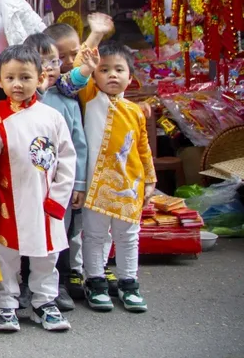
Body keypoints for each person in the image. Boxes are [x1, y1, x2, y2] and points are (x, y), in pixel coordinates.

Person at [0, 45, 77, 333]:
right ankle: (6, 301)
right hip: (8, 198)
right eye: (10, 78)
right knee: (5, 254)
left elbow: (67, 159)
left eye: (25, 77)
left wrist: (58, 198)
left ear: (40, 78)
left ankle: (44, 301)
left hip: (44, 199)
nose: (18, 84)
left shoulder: (52, 116)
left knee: (45, 255)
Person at [77, 41, 156, 313]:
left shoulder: (136, 112)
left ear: (130, 77)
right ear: (94, 76)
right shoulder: (90, 99)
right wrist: (95, 36)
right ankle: (95, 281)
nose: (112, 74)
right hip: (96, 187)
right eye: (104, 69)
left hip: (129, 185)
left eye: (119, 70)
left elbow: (143, 148)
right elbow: (79, 65)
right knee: (95, 235)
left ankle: (128, 283)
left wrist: (149, 180)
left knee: (128, 236)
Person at [45, 13, 119, 299]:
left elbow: (79, 69)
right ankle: (68, 273)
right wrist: (95, 34)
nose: (66, 61)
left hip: (87, 158)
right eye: (59, 56)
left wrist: (96, 36)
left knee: (85, 222)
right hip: (57, 167)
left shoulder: (74, 83)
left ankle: (90, 268)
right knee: (65, 223)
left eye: (72, 54)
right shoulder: (53, 87)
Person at [25, 32, 95, 312]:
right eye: (43, 62)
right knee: (27, 232)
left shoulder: (67, 99)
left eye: (54, 61)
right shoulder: (25, 100)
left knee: (59, 234)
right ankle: (25, 285)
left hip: (60, 185)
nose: (51, 68)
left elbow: (78, 144)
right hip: (29, 184)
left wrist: (79, 184)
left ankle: (58, 285)